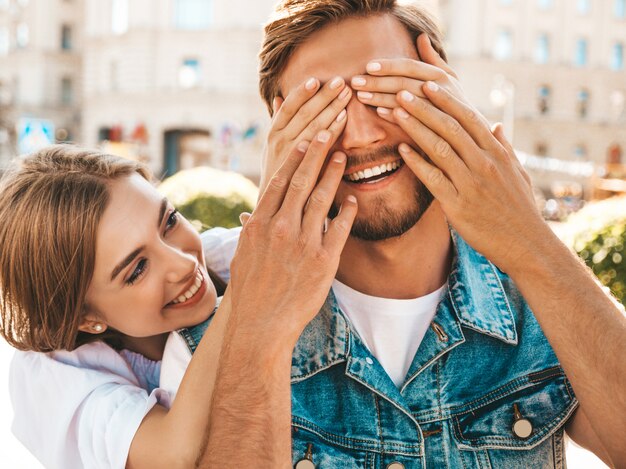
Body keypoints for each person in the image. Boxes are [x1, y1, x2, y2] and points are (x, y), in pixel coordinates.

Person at [182, 1, 624, 467]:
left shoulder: (537, 297)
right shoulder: (209, 326)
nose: (360, 135)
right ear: (281, 129)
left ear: (445, 91)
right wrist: (259, 325)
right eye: (325, 108)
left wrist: (532, 241)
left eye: (384, 93)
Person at [1, 141, 357, 468]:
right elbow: (173, 453)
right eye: (137, 269)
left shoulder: (219, 257)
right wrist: (248, 289)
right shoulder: (50, 375)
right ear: (86, 317)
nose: (183, 264)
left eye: (169, 221)